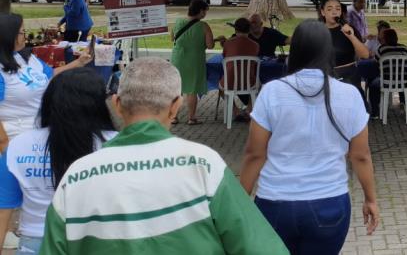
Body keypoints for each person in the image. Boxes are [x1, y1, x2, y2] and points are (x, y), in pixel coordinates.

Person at [40, 58, 288, 254]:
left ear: (116, 104)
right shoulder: (203, 164)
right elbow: (260, 246)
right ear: (176, 106)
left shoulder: (75, 177)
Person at [240, 20, 380, 254]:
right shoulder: (350, 94)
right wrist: (371, 199)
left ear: (295, 51)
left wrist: (241, 201)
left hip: (275, 203)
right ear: (329, 51)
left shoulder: (272, 91)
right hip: (329, 203)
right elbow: (360, 156)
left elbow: (255, 154)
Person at [0, 68, 117, 254]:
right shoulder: (117, 143)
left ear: (49, 101)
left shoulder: (18, 145)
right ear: (98, 105)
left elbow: (3, 209)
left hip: (36, 242)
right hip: (100, 241)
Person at [0, 14, 92, 151]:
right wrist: (5, 147)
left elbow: (50, 75)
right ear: (8, 35)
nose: (25, 35)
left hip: (43, 129)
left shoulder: (27, 57)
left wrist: (79, 62)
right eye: (21, 32)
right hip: (16, 136)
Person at [170, 0, 214, 125]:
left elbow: (172, 38)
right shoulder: (203, 26)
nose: (205, 14)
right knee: (192, 89)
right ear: (200, 11)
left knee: (177, 89)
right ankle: (191, 117)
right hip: (194, 59)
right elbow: (210, 45)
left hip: (177, 58)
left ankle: (174, 117)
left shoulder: (178, 22)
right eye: (205, 11)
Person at [216, 17, 260, 122]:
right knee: (260, 85)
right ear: (249, 30)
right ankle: (249, 109)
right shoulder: (255, 45)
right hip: (249, 82)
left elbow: (225, 56)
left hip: (229, 82)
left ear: (235, 30)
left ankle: (235, 110)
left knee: (221, 88)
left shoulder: (227, 43)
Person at [320, 0, 369, 86]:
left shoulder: (350, 29)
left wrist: (351, 36)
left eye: (338, 9)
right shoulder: (316, 31)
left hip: (348, 78)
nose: (334, 12)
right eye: (330, 9)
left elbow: (365, 55)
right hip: (324, 79)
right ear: (323, 12)